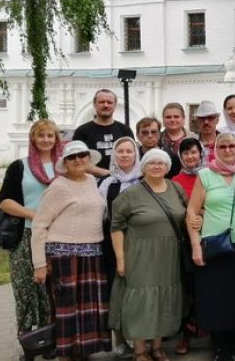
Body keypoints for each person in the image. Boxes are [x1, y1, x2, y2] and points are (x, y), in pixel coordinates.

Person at [30, 140, 111, 359]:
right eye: (72, 157)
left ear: (89, 158)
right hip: (64, 257)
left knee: (88, 308)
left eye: (82, 155)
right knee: (66, 309)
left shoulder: (93, 181)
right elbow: (39, 225)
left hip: (92, 255)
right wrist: (39, 264)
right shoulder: (59, 186)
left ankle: (84, 351)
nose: (78, 160)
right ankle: (65, 355)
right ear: (65, 162)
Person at [109, 149, 187, 361]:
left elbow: (188, 214)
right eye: (151, 163)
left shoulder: (176, 188)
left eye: (161, 163)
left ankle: (157, 347)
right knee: (141, 303)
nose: (156, 166)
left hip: (169, 255)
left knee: (163, 299)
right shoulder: (131, 194)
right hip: (139, 255)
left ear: (167, 167)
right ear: (143, 167)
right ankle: (140, 350)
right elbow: (116, 227)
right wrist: (120, 259)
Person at [187, 133, 235, 361]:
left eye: (232, 146)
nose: (227, 150)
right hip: (214, 246)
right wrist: (196, 246)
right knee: (215, 298)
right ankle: (219, 348)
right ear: (216, 150)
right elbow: (192, 211)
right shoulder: (205, 175)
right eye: (223, 146)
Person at [0, 119, 61, 340]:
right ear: (33, 138)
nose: (46, 140)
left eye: (50, 135)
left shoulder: (64, 166)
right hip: (26, 234)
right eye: (41, 135)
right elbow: (4, 201)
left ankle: (50, 338)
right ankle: (27, 339)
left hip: (57, 235)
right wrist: (35, 215)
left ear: (56, 139)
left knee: (52, 289)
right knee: (25, 287)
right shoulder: (19, 167)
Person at [96, 136, 142, 358]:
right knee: (117, 291)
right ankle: (121, 340)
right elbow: (100, 215)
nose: (125, 155)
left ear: (136, 155)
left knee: (140, 290)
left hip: (141, 243)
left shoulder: (144, 180)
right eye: (120, 151)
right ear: (114, 155)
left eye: (129, 151)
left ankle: (142, 337)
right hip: (112, 244)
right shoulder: (107, 183)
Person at [169, 137, 205, 354]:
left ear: (201, 153)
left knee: (207, 288)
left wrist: (203, 214)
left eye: (194, 152)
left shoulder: (210, 175)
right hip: (184, 240)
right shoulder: (175, 181)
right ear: (180, 156)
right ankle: (186, 336)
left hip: (209, 237)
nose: (190, 156)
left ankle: (212, 331)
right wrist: (191, 217)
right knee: (188, 289)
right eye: (186, 153)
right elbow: (175, 209)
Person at [72, 89, 134, 176]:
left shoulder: (125, 130)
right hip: (92, 180)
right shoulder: (82, 131)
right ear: (94, 104)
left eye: (109, 102)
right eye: (101, 102)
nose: (106, 105)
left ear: (115, 105)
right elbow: (77, 160)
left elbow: (133, 158)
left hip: (122, 179)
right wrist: (107, 174)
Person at [194, 100, 222, 164]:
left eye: (210, 118)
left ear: (217, 120)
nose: (206, 122)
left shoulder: (227, 143)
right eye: (202, 118)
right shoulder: (192, 144)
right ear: (197, 121)